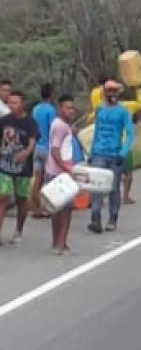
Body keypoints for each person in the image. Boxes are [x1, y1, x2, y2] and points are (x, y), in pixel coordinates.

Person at [88, 80, 135, 234]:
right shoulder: (99, 109)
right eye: (108, 91)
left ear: (118, 93)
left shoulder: (123, 111)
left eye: (114, 91)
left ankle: (112, 218)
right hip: (99, 153)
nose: (111, 94)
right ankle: (95, 218)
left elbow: (130, 134)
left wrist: (123, 152)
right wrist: (91, 151)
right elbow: (97, 131)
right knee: (96, 186)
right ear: (104, 92)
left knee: (113, 188)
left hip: (115, 154)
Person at [0, 90, 39, 244]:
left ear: (22, 104)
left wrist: (26, 153)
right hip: (4, 165)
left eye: (15, 103)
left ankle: (19, 230)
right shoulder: (3, 120)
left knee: (21, 199)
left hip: (23, 167)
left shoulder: (30, 122)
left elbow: (32, 140)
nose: (12, 106)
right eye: (9, 102)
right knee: (2, 197)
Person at [45, 94, 77, 255]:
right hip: (60, 173)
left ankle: (57, 241)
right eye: (67, 108)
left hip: (55, 170)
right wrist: (67, 168)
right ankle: (61, 242)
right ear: (59, 109)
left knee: (57, 209)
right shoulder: (60, 126)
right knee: (65, 210)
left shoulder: (62, 124)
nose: (70, 111)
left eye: (72, 108)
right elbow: (55, 150)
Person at [30, 83, 57, 217]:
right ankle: (47, 208)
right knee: (50, 180)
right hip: (47, 149)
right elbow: (53, 129)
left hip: (36, 148)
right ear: (51, 94)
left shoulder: (35, 109)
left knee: (37, 180)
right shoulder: (51, 110)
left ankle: (35, 208)